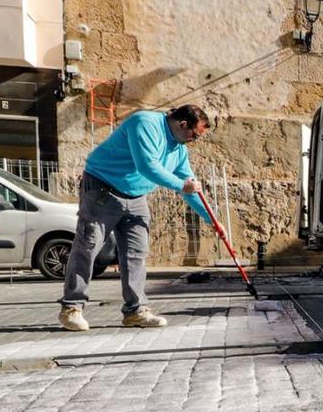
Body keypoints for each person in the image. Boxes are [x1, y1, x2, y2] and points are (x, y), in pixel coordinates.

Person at [59, 105, 217, 331]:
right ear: (183, 124)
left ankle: (136, 311)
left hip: (136, 196)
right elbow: (147, 166)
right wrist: (182, 185)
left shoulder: (179, 150)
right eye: (195, 134)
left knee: (136, 252)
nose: (195, 140)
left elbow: (190, 189)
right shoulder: (145, 123)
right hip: (103, 188)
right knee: (88, 246)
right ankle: (71, 308)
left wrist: (211, 219)